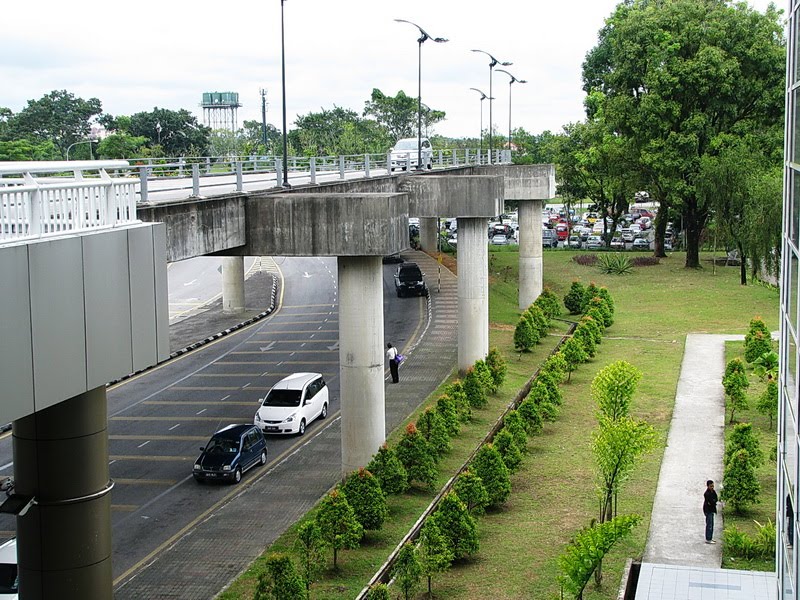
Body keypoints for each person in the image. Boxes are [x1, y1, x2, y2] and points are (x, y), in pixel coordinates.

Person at [703, 480, 718, 544]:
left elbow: (716, 499)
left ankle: (710, 538)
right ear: (708, 486)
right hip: (708, 510)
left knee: (711, 524)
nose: (712, 487)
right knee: (709, 525)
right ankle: (708, 539)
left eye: (713, 486)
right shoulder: (707, 494)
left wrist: (713, 501)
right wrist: (713, 502)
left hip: (712, 509)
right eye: (711, 486)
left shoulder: (713, 491)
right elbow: (711, 502)